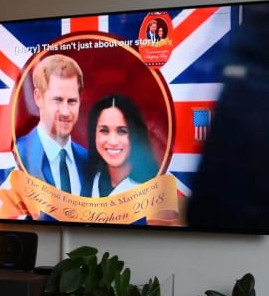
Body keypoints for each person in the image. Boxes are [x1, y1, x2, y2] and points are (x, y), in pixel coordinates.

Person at [13, 53, 89, 195]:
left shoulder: (88, 161)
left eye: (72, 101)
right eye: (58, 100)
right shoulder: (17, 157)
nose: (66, 112)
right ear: (38, 98)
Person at [86, 93, 159, 197]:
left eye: (122, 131)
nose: (113, 141)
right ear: (94, 135)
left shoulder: (154, 189)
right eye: (104, 131)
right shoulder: (88, 180)